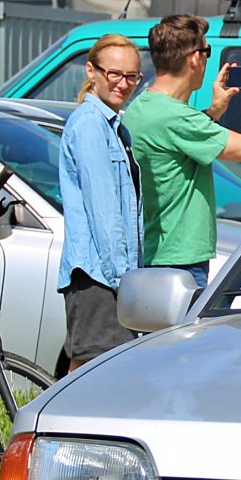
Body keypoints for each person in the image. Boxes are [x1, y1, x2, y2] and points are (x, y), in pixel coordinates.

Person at [122, 14, 241, 288]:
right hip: (180, 260)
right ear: (194, 58)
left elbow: (174, 142)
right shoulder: (175, 117)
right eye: (207, 51)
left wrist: (212, 112)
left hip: (157, 253)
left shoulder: (143, 107)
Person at [56, 33, 145, 373]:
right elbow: (105, 215)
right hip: (98, 277)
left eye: (132, 76)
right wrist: (124, 282)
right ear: (91, 71)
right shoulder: (91, 125)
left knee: (96, 374)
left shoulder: (112, 125)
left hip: (106, 276)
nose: (123, 84)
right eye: (114, 74)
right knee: (93, 374)